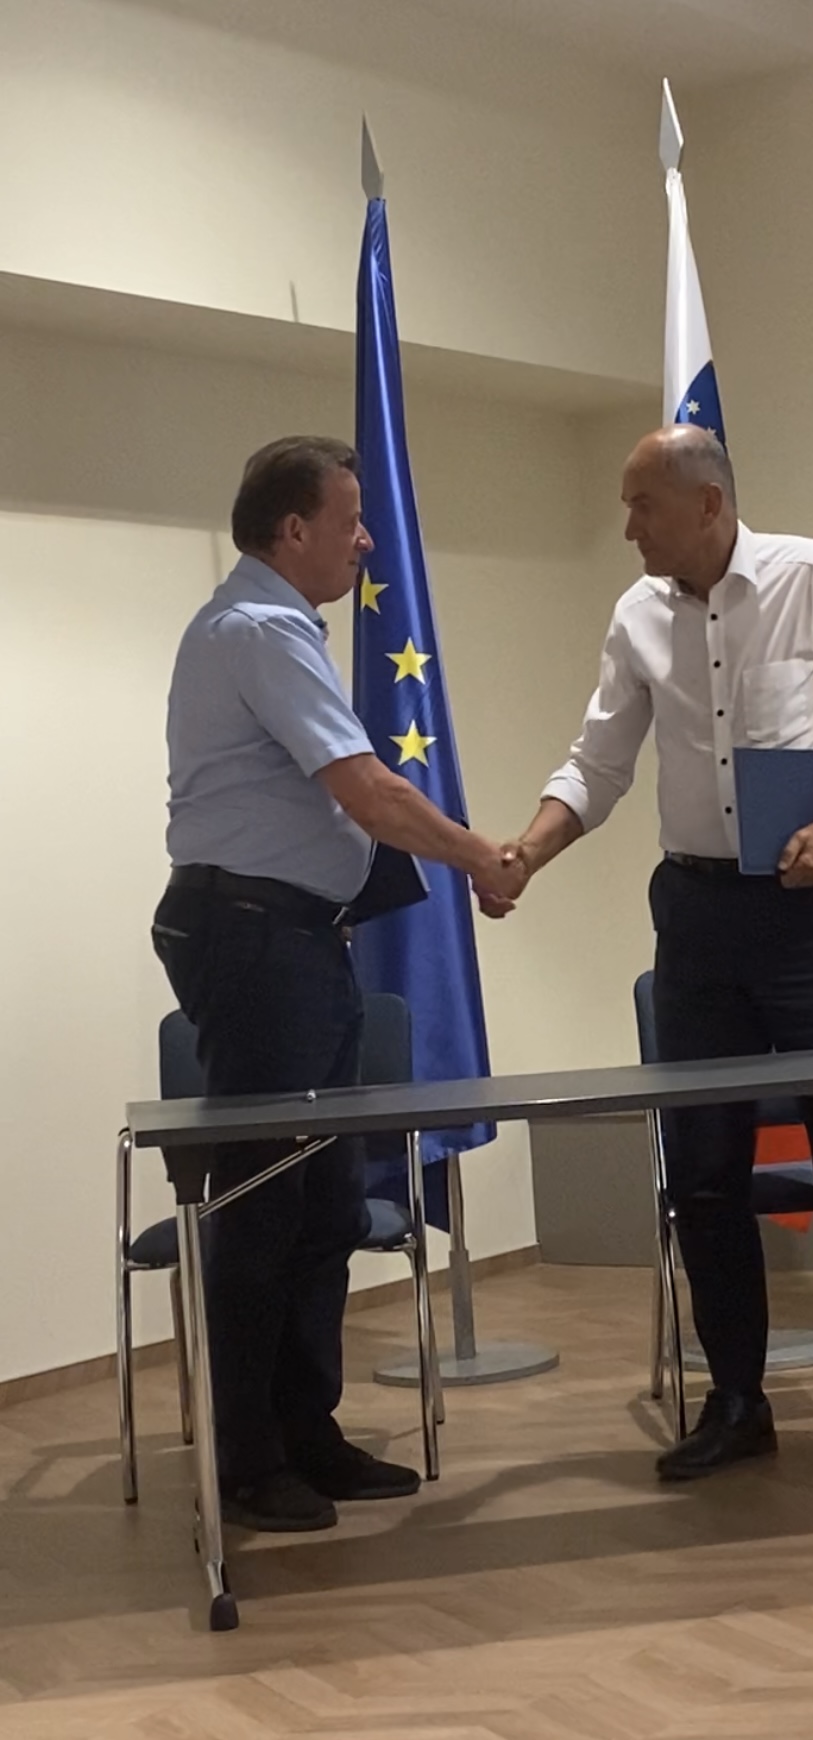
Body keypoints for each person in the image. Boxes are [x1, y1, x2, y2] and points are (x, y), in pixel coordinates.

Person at [503, 425, 813, 1482]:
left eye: (641, 504)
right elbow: (598, 763)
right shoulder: (637, 615)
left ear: (707, 503)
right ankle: (737, 1399)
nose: (627, 527)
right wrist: (527, 853)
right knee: (702, 1170)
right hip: (699, 914)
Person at [152, 435, 524, 1533]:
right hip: (255, 943)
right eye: (350, 520)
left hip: (297, 942)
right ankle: (248, 1459)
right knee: (264, 1204)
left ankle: (305, 1431)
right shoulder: (258, 631)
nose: (366, 541)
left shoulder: (269, 627)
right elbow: (367, 792)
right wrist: (480, 858)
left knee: (321, 1206)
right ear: (293, 529)